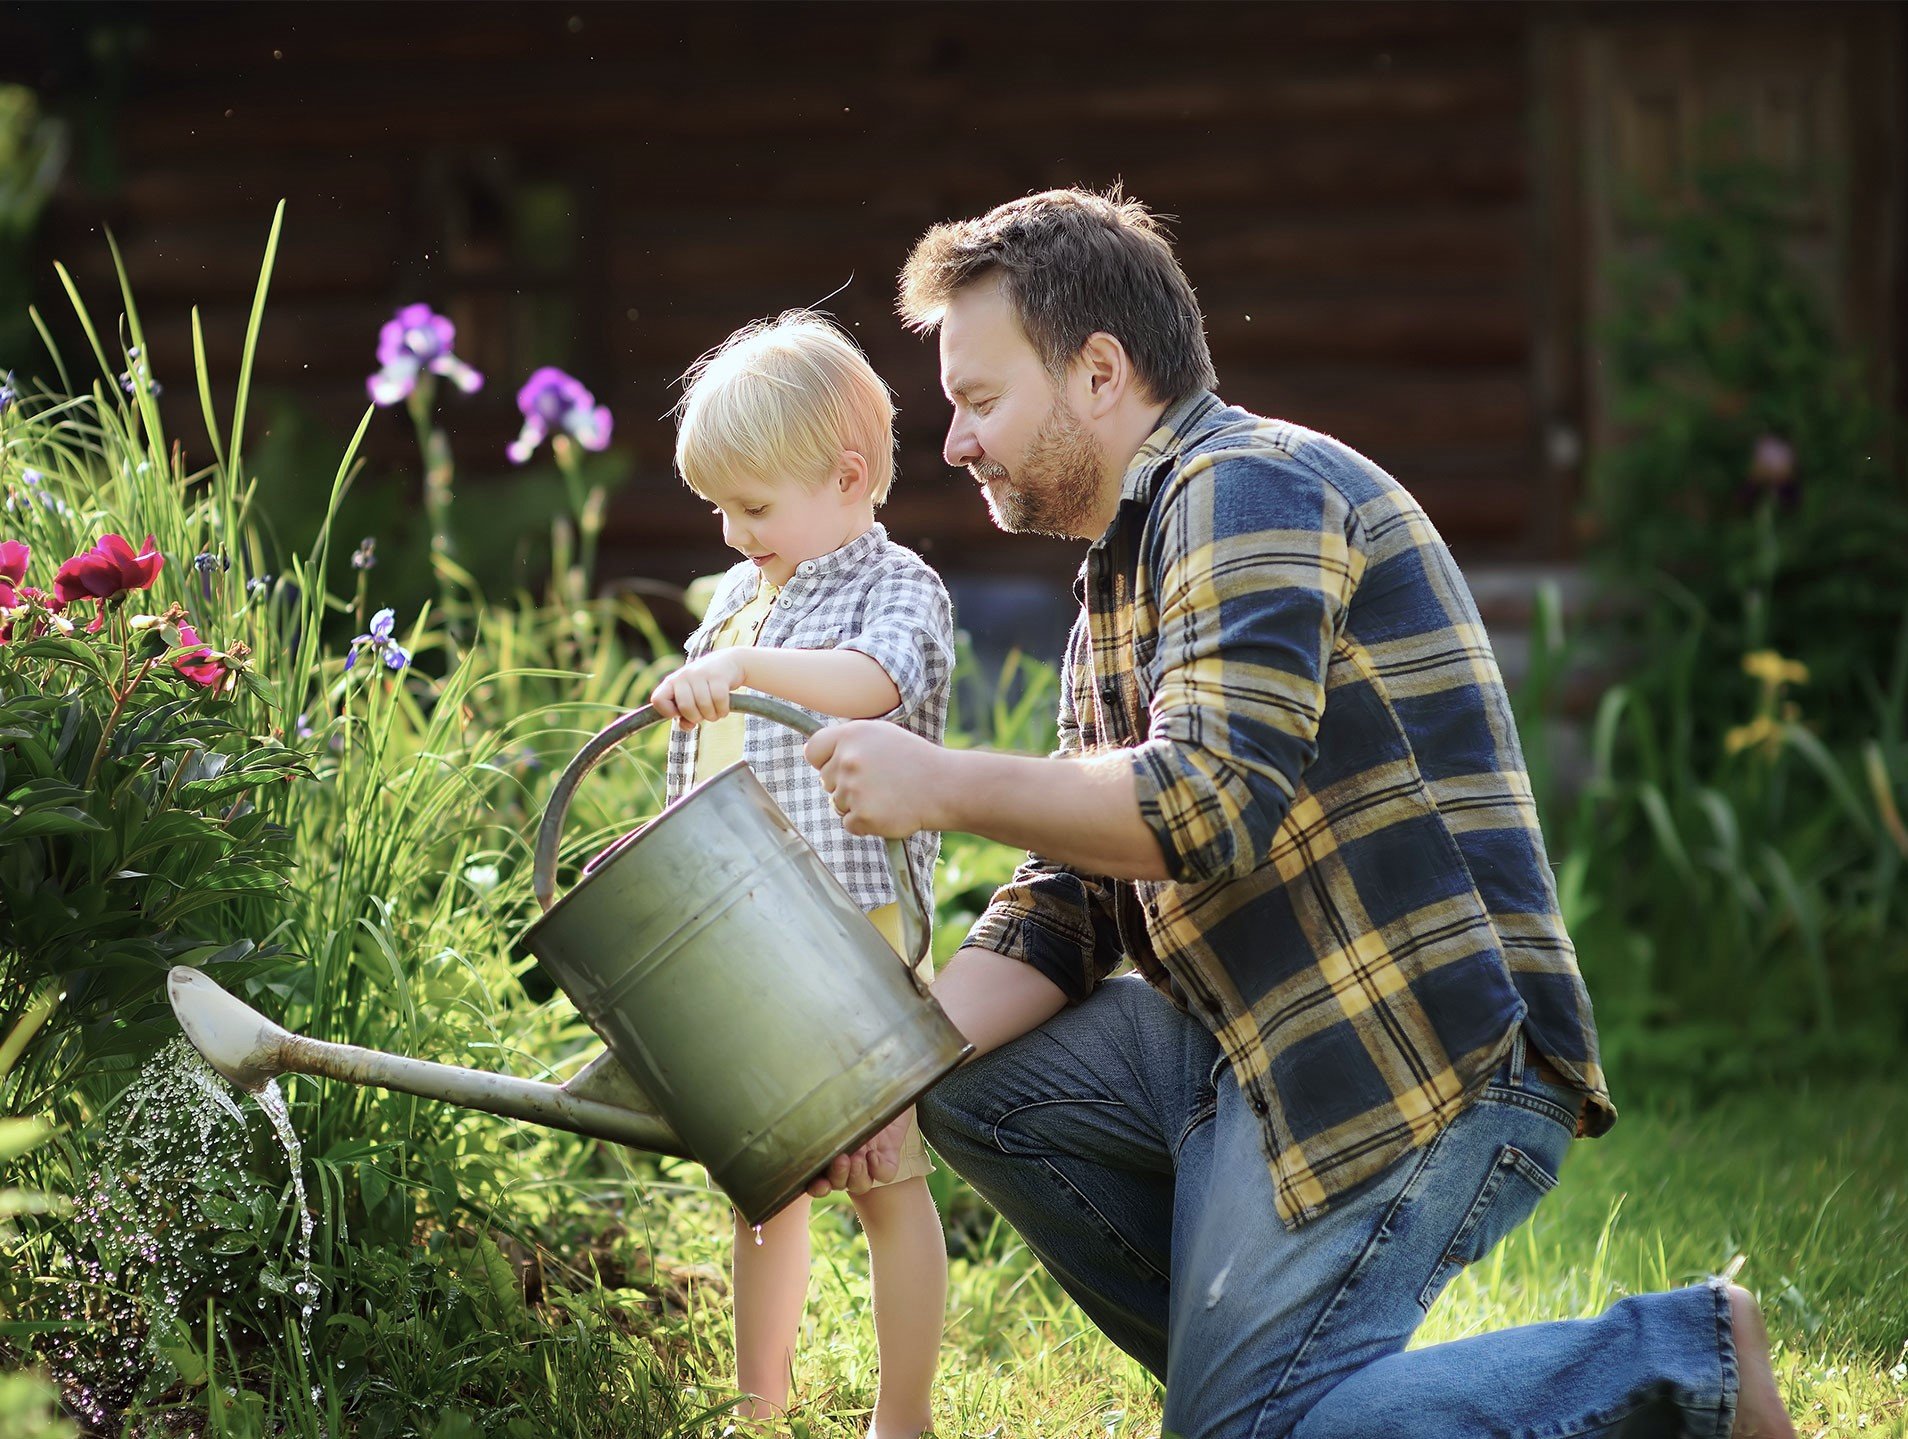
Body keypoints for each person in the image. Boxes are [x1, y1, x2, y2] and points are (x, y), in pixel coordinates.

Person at [802, 190, 1795, 1439]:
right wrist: (874, 1080)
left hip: (1408, 1044)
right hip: (1242, 1042)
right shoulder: (1119, 571)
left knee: (1246, 1429)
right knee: (968, 1080)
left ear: (1099, 372)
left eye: (979, 399)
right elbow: (1067, 901)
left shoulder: (1250, 487)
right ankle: (1293, 1391)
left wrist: (941, 776)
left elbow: (1203, 804)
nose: (953, 443)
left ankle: (1678, 1359)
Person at [650, 311, 955, 1439]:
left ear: (850, 474)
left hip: (850, 937)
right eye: (720, 509)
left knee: (885, 1179)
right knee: (762, 1185)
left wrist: (738, 666)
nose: (734, 534)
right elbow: (709, 758)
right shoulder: (740, 599)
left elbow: (872, 683)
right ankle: (758, 1408)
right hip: (744, 936)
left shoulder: (898, 586)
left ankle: (903, 1414)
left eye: (756, 507)